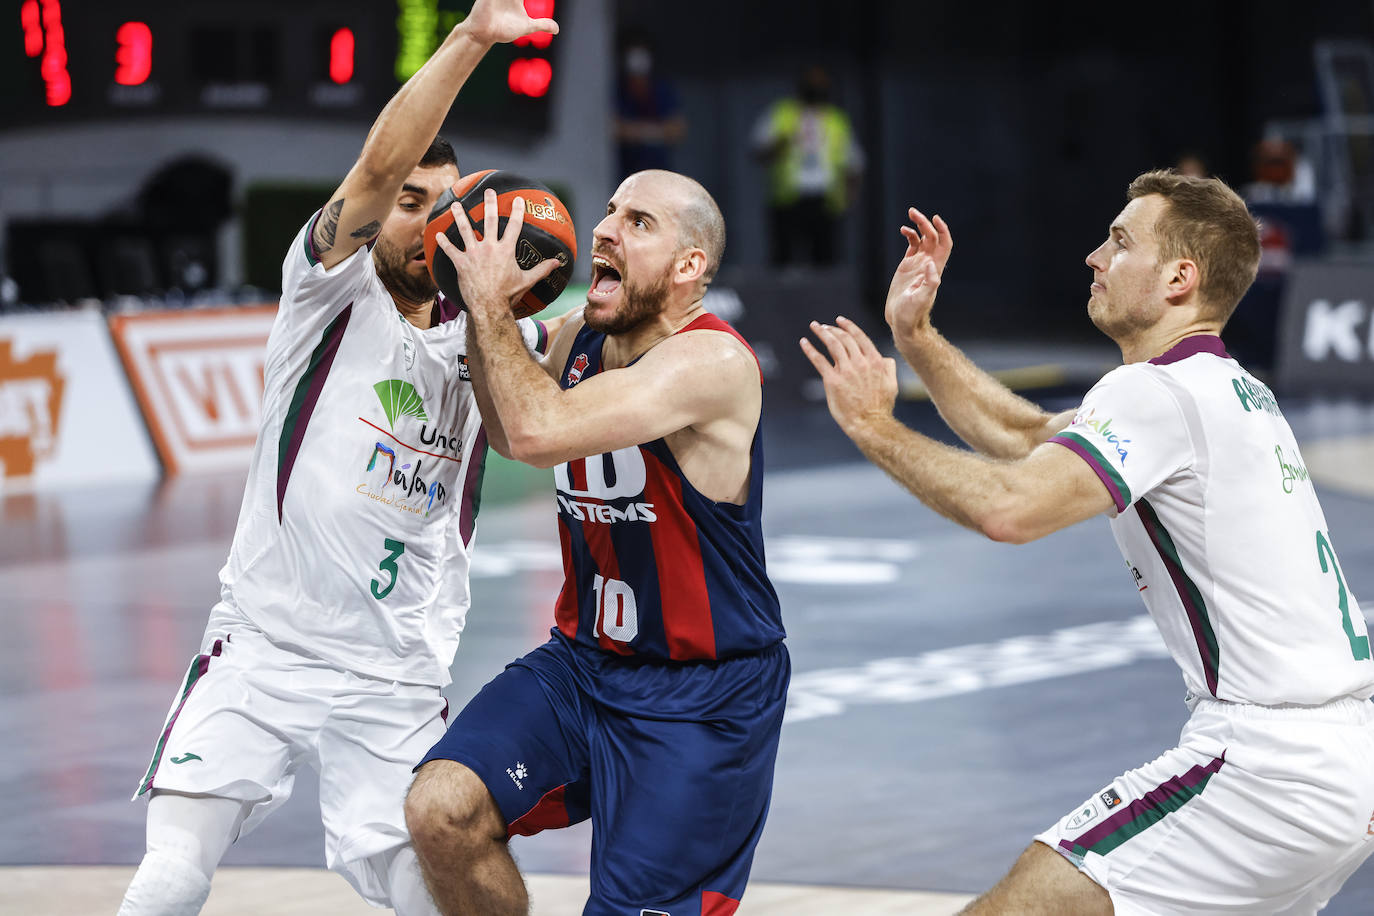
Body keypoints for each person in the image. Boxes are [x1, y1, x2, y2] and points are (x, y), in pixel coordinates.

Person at [801, 170, 1374, 914]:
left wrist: (873, 426)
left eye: (1119, 240)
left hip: (1267, 761)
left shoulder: (1155, 394)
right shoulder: (1228, 389)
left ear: (1179, 276)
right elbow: (1028, 437)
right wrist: (916, 336)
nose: (1093, 257)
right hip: (1345, 757)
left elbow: (1012, 508)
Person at [117, 3, 562, 914]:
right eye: (407, 205)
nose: (423, 225)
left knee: (424, 886)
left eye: (442, 209)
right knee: (172, 873)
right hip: (265, 640)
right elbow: (376, 166)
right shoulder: (329, 287)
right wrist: (472, 38)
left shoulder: (493, 338)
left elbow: (582, 359)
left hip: (395, 671)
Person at [403, 169, 788, 916]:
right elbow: (506, 407)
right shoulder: (582, 335)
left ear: (688, 268)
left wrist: (487, 306)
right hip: (581, 668)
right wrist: (475, 300)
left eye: (638, 222)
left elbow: (536, 430)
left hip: (700, 698)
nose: (606, 229)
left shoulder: (713, 363)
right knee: (441, 811)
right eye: (609, 211)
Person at [751, 65, 865, 267]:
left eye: (821, 83)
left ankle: (825, 297)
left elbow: (854, 162)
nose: (816, 87)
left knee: (825, 259)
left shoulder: (836, 119)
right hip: (788, 198)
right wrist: (780, 145)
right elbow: (758, 151)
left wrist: (851, 195)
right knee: (782, 259)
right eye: (812, 82)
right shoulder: (783, 113)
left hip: (825, 199)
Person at [613, 31, 686, 180]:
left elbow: (677, 129)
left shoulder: (661, 88)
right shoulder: (617, 90)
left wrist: (636, 132)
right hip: (626, 176)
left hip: (660, 174)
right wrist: (659, 131)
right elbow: (614, 129)